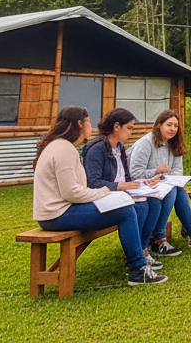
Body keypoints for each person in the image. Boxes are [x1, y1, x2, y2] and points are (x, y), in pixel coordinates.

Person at [32, 105, 165, 285]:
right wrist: (104, 193)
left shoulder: (62, 146)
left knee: (131, 206)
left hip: (58, 211)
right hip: (57, 214)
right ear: (80, 123)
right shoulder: (64, 149)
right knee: (125, 211)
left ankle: (140, 260)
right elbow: (71, 192)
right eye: (88, 121)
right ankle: (137, 269)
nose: (91, 127)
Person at [81, 108, 165, 273]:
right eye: (129, 127)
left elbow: (125, 178)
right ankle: (136, 257)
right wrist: (121, 186)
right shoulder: (97, 148)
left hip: (120, 194)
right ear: (116, 126)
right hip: (103, 196)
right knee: (140, 207)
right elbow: (93, 183)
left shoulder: (120, 148)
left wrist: (143, 182)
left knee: (154, 201)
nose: (132, 132)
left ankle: (142, 249)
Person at [129, 108, 191, 254]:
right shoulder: (146, 143)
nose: (173, 129)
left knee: (178, 190)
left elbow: (177, 172)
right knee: (170, 191)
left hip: (161, 185)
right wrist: (156, 171)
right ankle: (160, 239)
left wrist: (166, 178)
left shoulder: (175, 144)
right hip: (141, 186)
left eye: (176, 126)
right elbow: (134, 173)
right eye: (169, 125)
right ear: (159, 125)